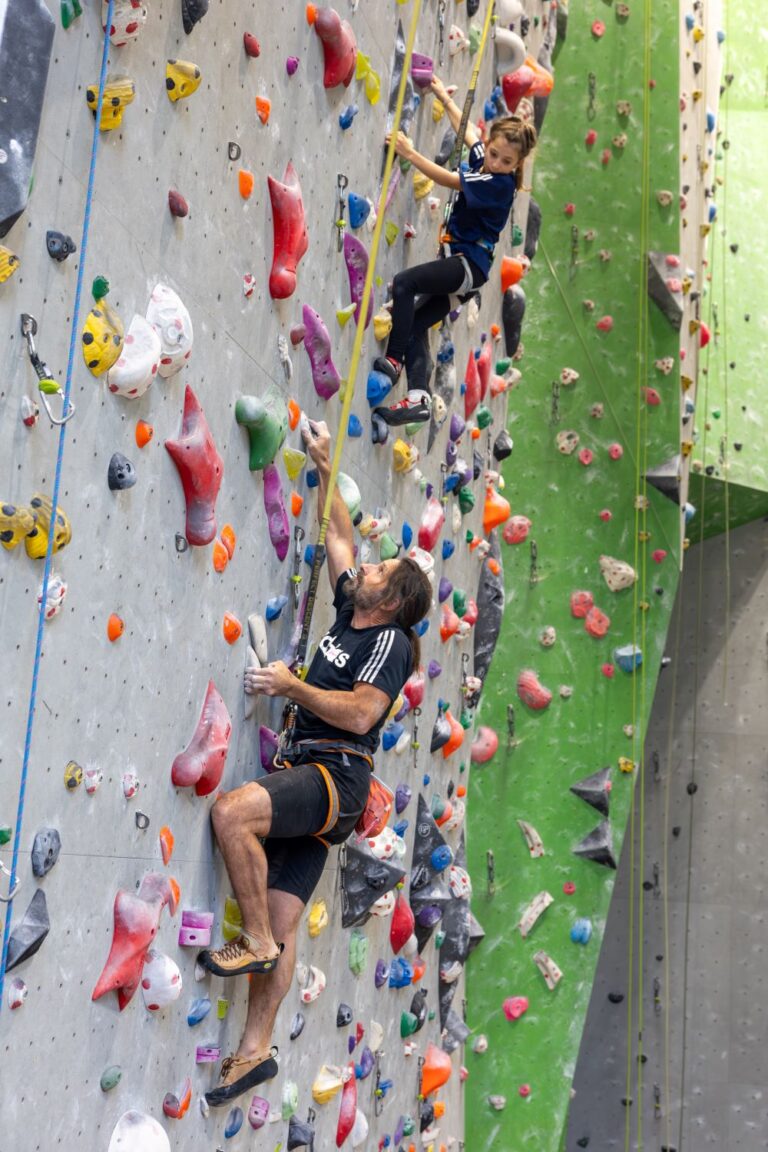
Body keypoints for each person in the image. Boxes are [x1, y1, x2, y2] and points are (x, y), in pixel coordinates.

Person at [197, 418, 433, 1107]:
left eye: (380, 572)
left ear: (390, 600)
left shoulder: (389, 641)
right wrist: (329, 466)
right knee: (281, 914)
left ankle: (260, 945)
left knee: (232, 814)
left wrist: (292, 685)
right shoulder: (352, 612)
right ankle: (255, 1054)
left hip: (335, 778)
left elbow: (362, 714)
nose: (366, 567)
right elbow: (339, 537)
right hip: (318, 775)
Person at [372, 74, 537, 426]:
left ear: (515, 166)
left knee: (404, 285)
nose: (495, 162)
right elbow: (470, 135)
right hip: (469, 270)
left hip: (467, 265)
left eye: (506, 161)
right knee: (413, 324)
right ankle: (418, 398)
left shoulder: (498, 184)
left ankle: (394, 360)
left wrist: (409, 151)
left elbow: (449, 180)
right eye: (494, 154)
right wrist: (442, 96)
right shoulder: (486, 159)